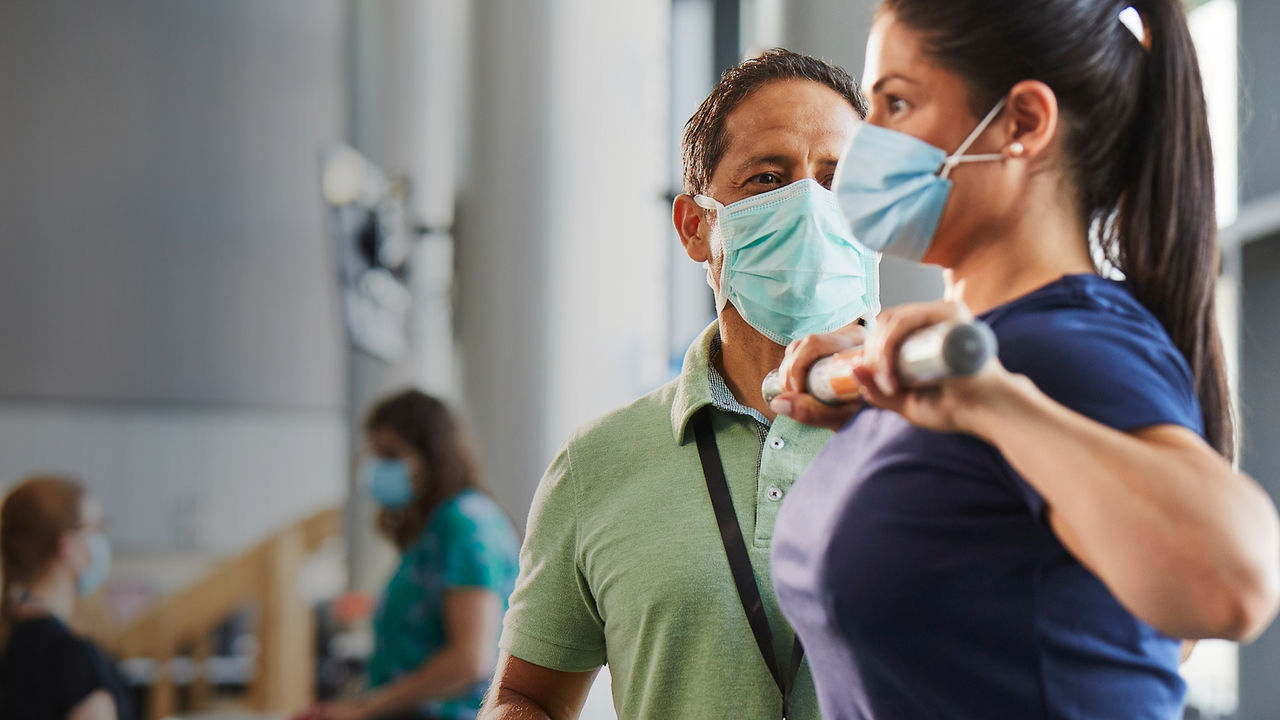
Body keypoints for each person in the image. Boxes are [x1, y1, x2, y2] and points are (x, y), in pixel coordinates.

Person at [768, 2, 1280, 719]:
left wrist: (992, 400)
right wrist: (882, 386)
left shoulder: (1071, 349)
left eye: (897, 102)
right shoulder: (961, 363)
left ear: (1024, 124)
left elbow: (1232, 584)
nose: (864, 145)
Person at [481, 49, 879, 720]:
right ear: (697, 227)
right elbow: (528, 696)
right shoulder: (597, 465)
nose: (811, 206)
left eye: (838, 181)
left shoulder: (946, 435)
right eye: (768, 178)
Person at [309, 390, 520, 720]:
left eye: (392, 454)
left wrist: (365, 709)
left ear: (432, 456)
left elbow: (470, 660)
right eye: (376, 454)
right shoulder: (434, 529)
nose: (379, 467)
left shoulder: (465, 523)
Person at [0, 476, 135, 720]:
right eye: (96, 529)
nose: (101, 542)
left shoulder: (11, 635)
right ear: (67, 546)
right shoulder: (73, 659)